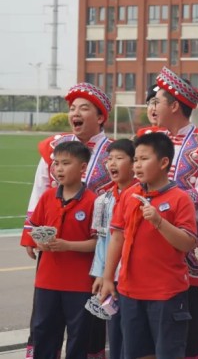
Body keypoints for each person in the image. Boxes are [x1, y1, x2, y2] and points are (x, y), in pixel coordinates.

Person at [21, 82, 112, 359]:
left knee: (84, 324)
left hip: (95, 249)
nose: (75, 113)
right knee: (45, 320)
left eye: (84, 108)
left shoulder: (114, 151)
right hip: (52, 249)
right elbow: (40, 188)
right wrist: (30, 234)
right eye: (72, 108)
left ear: (100, 117)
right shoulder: (55, 147)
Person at [146, 66, 198, 359]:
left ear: (174, 106)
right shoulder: (147, 137)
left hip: (185, 235)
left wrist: (169, 201)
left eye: (157, 101)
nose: (152, 107)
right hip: (146, 233)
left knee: (183, 305)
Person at [100, 132, 198, 359]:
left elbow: (187, 243)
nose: (137, 165)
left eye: (144, 159)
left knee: (166, 352)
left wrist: (159, 222)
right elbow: (117, 237)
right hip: (129, 291)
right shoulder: (129, 195)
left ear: (163, 163)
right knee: (135, 352)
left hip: (166, 293)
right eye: (135, 159)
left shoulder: (180, 198)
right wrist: (108, 278)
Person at [26, 141, 97, 359]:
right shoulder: (47, 197)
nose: (59, 169)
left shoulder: (93, 201)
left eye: (66, 163)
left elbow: (98, 243)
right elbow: (34, 228)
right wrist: (38, 242)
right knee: (43, 331)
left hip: (79, 284)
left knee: (78, 335)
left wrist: (68, 246)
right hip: (47, 281)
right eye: (56, 164)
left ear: (83, 167)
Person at [90, 139, 138, 359]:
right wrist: (101, 274)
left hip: (134, 277)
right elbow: (102, 239)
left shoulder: (142, 196)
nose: (112, 164)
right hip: (113, 276)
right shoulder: (103, 200)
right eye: (109, 159)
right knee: (115, 331)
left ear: (134, 163)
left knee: (134, 334)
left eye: (119, 158)